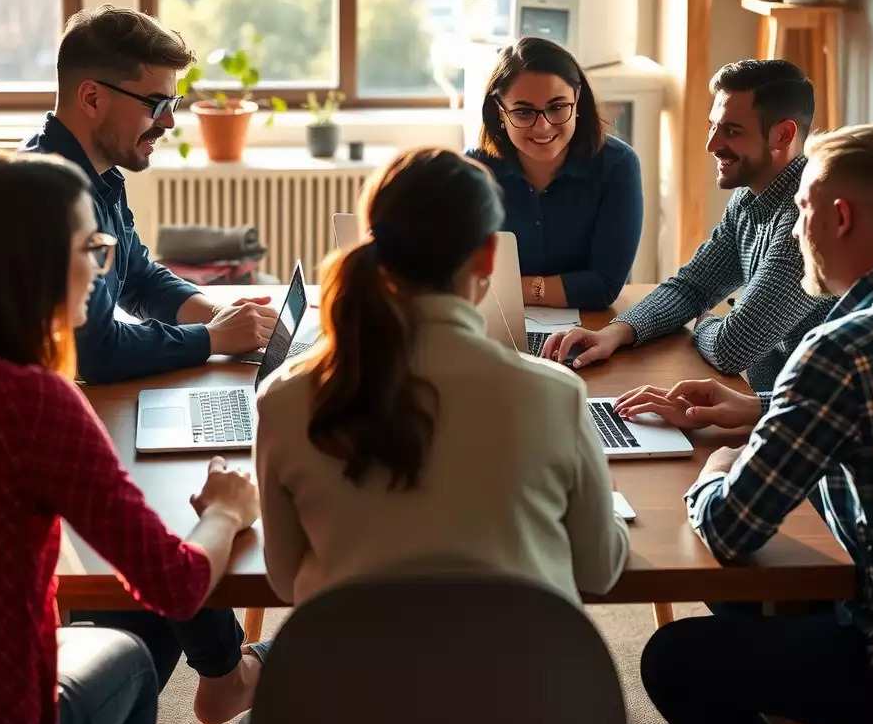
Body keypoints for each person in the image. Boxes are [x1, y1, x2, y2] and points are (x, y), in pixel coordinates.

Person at [0, 154, 260, 724]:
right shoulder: (27, 401)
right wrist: (227, 512)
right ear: (34, 267)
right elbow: (175, 585)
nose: (101, 272)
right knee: (131, 651)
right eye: (91, 250)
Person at [640, 125, 873, 724]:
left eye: (800, 209)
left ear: (837, 216)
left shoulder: (838, 349)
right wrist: (757, 408)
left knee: (674, 656)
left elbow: (730, 528)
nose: (795, 230)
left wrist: (714, 469)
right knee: (755, 600)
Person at [256, 147, 630, 608]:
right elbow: (599, 571)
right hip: (520, 678)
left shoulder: (283, 400)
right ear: (490, 256)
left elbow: (281, 577)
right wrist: (605, 503)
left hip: (351, 677)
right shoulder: (555, 396)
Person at [544, 58, 834, 394]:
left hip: (806, 425)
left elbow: (730, 348)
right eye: (713, 126)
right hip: (767, 409)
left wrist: (702, 322)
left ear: (783, 135)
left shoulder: (808, 216)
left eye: (731, 131)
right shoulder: (748, 197)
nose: (711, 145)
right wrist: (614, 333)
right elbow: (691, 287)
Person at [24, 4, 278, 386]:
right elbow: (96, 351)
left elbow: (138, 279)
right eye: (157, 105)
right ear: (92, 99)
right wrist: (214, 338)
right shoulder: (47, 196)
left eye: (172, 105)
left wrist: (215, 315)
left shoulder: (99, 173)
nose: (169, 122)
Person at [467, 36, 642, 310]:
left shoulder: (618, 166)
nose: (543, 127)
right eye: (524, 112)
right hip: (495, 322)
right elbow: (460, 275)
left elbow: (603, 287)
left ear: (577, 98)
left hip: (588, 329)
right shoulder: (474, 170)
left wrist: (508, 287)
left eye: (557, 107)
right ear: (500, 112)